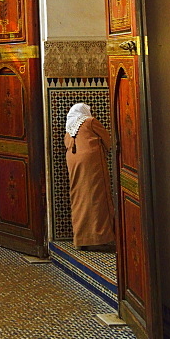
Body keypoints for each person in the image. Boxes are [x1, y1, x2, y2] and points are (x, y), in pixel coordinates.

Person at [64, 102, 115, 250]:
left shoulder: (69, 129)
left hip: (73, 163)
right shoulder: (90, 121)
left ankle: (81, 238)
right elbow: (108, 140)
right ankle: (100, 237)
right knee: (97, 197)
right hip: (93, 163)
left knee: (79, 196)